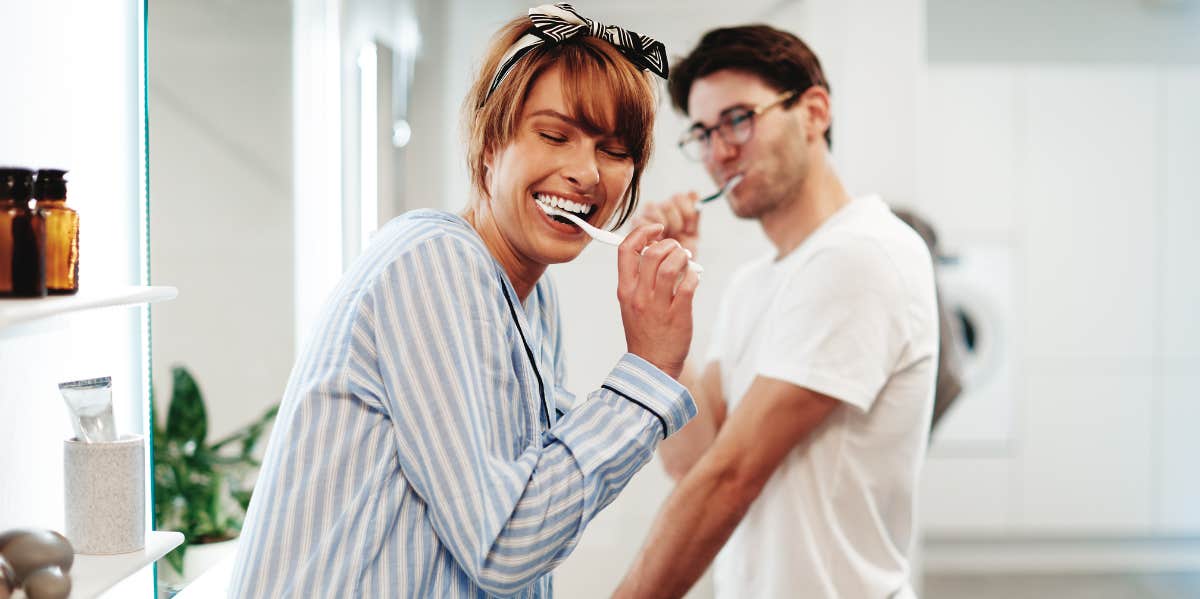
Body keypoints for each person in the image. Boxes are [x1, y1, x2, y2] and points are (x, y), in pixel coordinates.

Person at [228, 5, 698, 597]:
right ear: (488, 146)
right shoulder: (434, 263)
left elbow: (527, 499)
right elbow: (505, 544)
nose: (586, 173)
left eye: (615, 149)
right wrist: (648, 371)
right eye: (554, 135)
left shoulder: (533, 298)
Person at [613, 25, 939, 599]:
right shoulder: (753, 283)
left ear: (814, 111)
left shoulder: (862, 254)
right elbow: (691, 459)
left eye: (738, 119)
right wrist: (664, 328)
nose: (719, 152)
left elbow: (729, 476)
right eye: (703, 134)